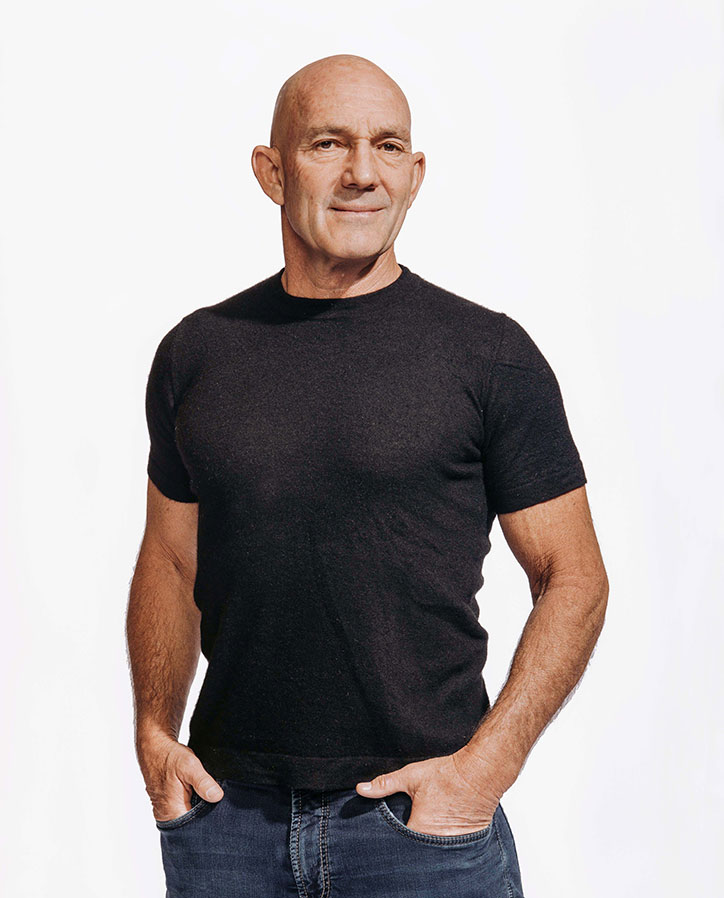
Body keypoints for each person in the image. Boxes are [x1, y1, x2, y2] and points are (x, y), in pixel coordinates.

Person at [127, 53, 608, 898]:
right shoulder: (197, 353)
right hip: (228, 825)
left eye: (388, 147)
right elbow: (169, 559)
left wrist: (483, 773)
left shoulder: (489, 356)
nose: (362, 173)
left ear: (415, 175)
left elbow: (574, 577)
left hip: (423, 827)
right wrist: (153, 735)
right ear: (271, 171)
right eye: (328, 144)